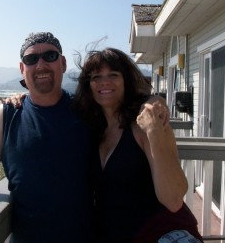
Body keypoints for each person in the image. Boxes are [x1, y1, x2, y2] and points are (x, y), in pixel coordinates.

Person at [0, 32, 168, 243]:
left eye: (49, 56)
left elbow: (120, 98)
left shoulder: (87, 109)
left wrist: (155, 100)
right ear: (23, 68)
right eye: (31, 59)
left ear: (62, 63)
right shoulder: (6, 115)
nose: (41, 65)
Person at [72, 47, 203, 243]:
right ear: (88, 85)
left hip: (160, 232)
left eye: (113, 74)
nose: (104, 82)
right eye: (96, 77)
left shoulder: (147, 124)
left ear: (126, 81)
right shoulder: (92, 129)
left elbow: (174, 200)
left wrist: (154, 132)